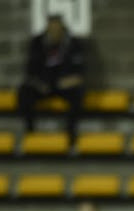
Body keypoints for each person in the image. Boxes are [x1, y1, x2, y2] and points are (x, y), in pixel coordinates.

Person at [18, 14, 86, 143]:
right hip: (43, 86)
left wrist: (67, 82)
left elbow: (80, 74)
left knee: (78, 93)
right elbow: (29, 72)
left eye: (57, 29)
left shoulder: (73, 43)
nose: (55, 32)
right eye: (52, 29)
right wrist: (39, 84)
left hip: (64, 86)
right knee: (24, 92)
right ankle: (30, 130)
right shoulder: (37, 43)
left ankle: (71, 133)